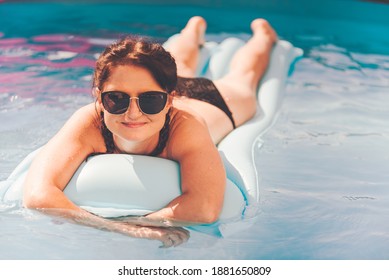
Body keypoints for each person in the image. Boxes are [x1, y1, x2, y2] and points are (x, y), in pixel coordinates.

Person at [22, 16, 277, 247]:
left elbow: (205, 208)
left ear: (168, 101)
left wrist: (143, 223)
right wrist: (119, 228)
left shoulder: (186, 127)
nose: (132, 113)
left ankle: (263, 37)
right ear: (99, 99)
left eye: (151, 101)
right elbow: (37, 194)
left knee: (245, 76)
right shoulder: (90, 121)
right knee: (176, 67)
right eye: (117, 99)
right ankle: (193, 29)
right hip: (158, 85)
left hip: (214, 102)